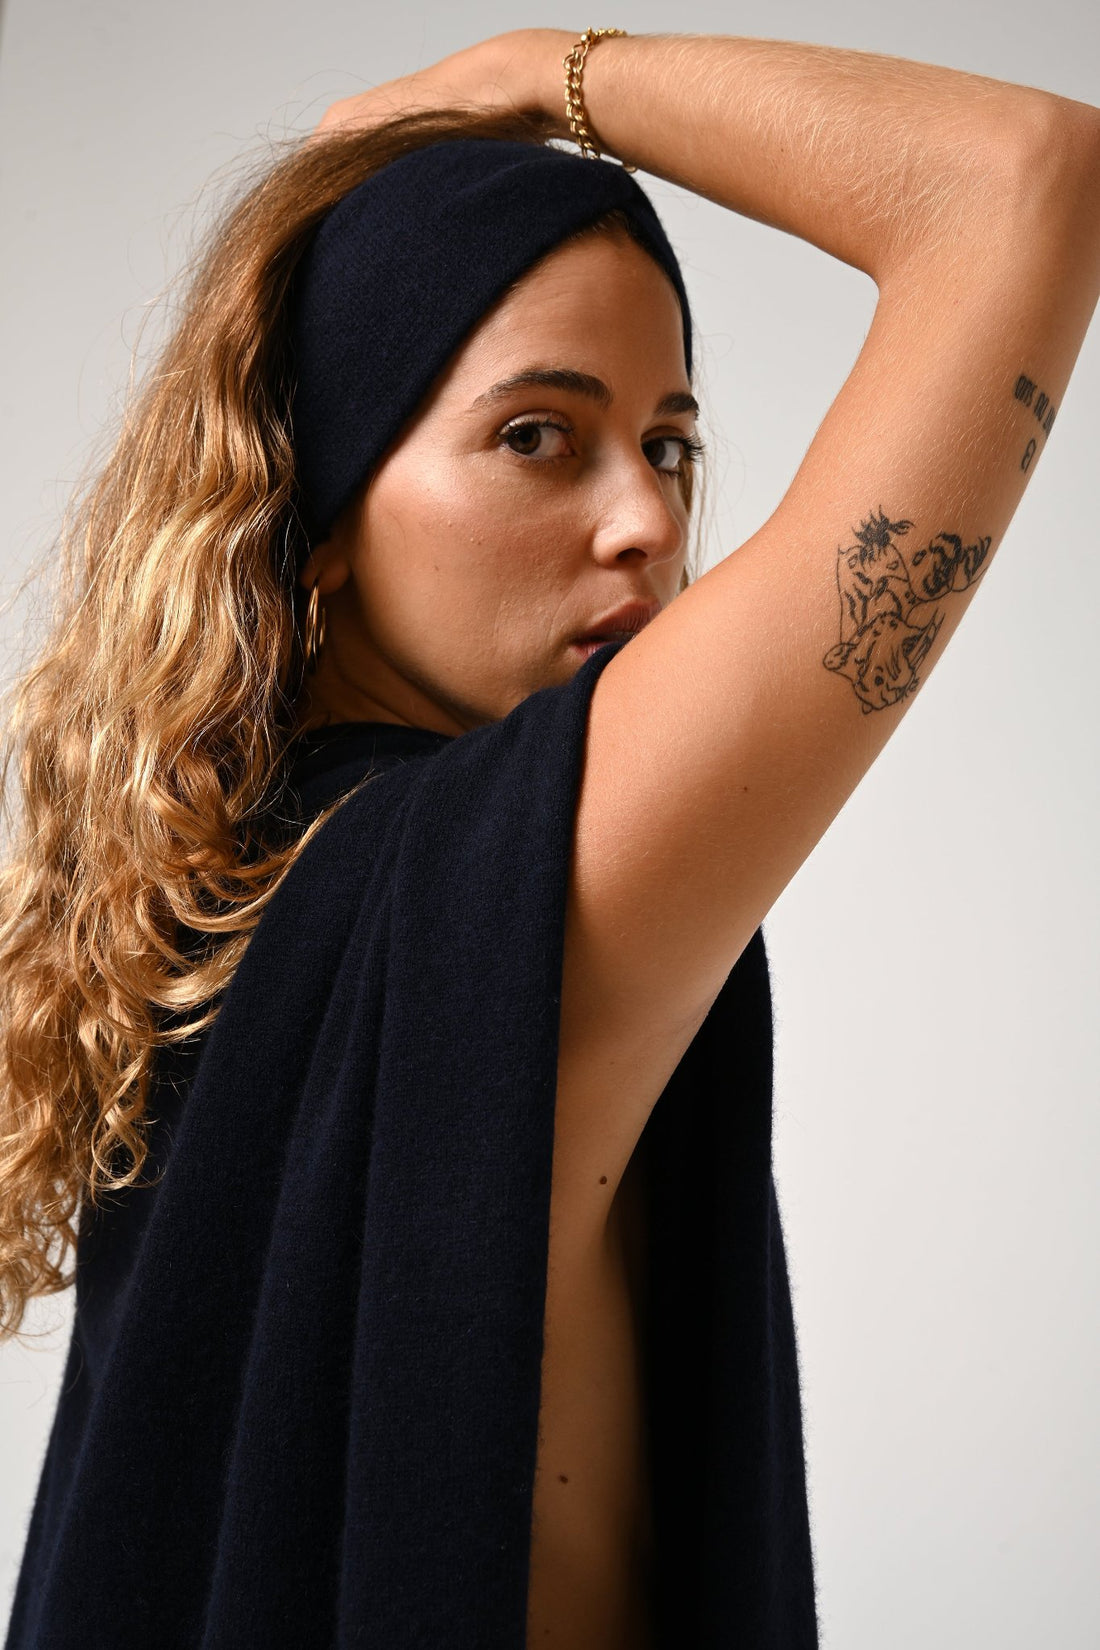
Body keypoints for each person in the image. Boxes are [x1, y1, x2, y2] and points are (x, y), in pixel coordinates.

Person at [1, 25, 1097, 1650]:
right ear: (318, 512)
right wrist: (545, 71)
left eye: (670, 442)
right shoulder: (471, 886)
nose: (649, 519)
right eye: (538, 434)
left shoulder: (232, 904)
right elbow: (1025, 181)